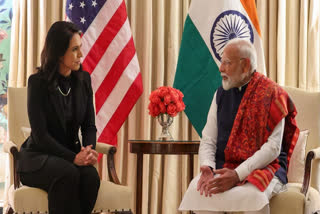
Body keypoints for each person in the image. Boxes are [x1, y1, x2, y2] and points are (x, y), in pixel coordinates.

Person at [179, 38, 299, 214]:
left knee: (253, 199)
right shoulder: (220, 94)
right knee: (200, 193)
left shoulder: (273, 94)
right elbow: (208, 139)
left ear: (245, 66)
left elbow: (273, 148)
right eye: (222, 62)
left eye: (227, 63)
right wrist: (207, 166)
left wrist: (237, 174)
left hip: (265, 168)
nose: (220, 68)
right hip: (225, 164)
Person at [17, 21, 100, 214]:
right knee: (67, 173)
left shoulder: (84, 80)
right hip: (37, 158)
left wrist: (88, 151)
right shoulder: (37, 83)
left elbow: (89, 126)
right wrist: (74, 158)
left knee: (90, 176)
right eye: (75, 49)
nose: (81, 55)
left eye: (81, 48)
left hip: (70, 157)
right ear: (59, 52)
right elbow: (40, 136)